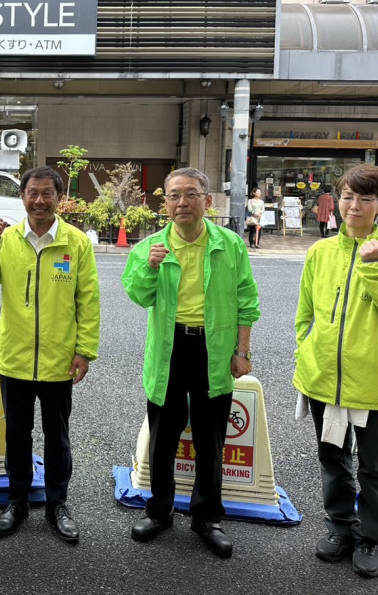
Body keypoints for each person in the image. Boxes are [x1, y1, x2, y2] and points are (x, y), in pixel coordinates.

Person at [122, 168, 259, 559]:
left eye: (190, 194)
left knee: (210, 440)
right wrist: (149, 266)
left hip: (213, 351)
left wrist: (242, 351)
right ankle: (160, 511)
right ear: (164, 202)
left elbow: (247, 299)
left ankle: (206, 517)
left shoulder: (229, 245)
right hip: (169, 349)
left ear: (207, 200)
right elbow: (139, 295)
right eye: (173, 196)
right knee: (163, 438)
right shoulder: (152, 246)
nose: (182, 202)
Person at [294, 163, 378, 579]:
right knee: (332, 458)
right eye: (348, 196)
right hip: (323, 378)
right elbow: (305, 314)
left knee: (375, 467)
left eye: (366, 198)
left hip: (376, 382)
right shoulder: (319, 252)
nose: (354, 205)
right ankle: (339, 527)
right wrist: (306, 351)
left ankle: (370, 537)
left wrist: (376, 265)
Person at [0, 166, 100, 543]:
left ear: (59, 198)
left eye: (47, 194)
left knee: (57, 436)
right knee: (17, 435)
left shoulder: (76, 243)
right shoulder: (8, 238)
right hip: (15, 358)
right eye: (32, 193)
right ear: (22, 197)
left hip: (59, 360)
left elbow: (88, 301)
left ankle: (58, 504)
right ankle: (17, 502)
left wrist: (84, 350)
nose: (39, 200)